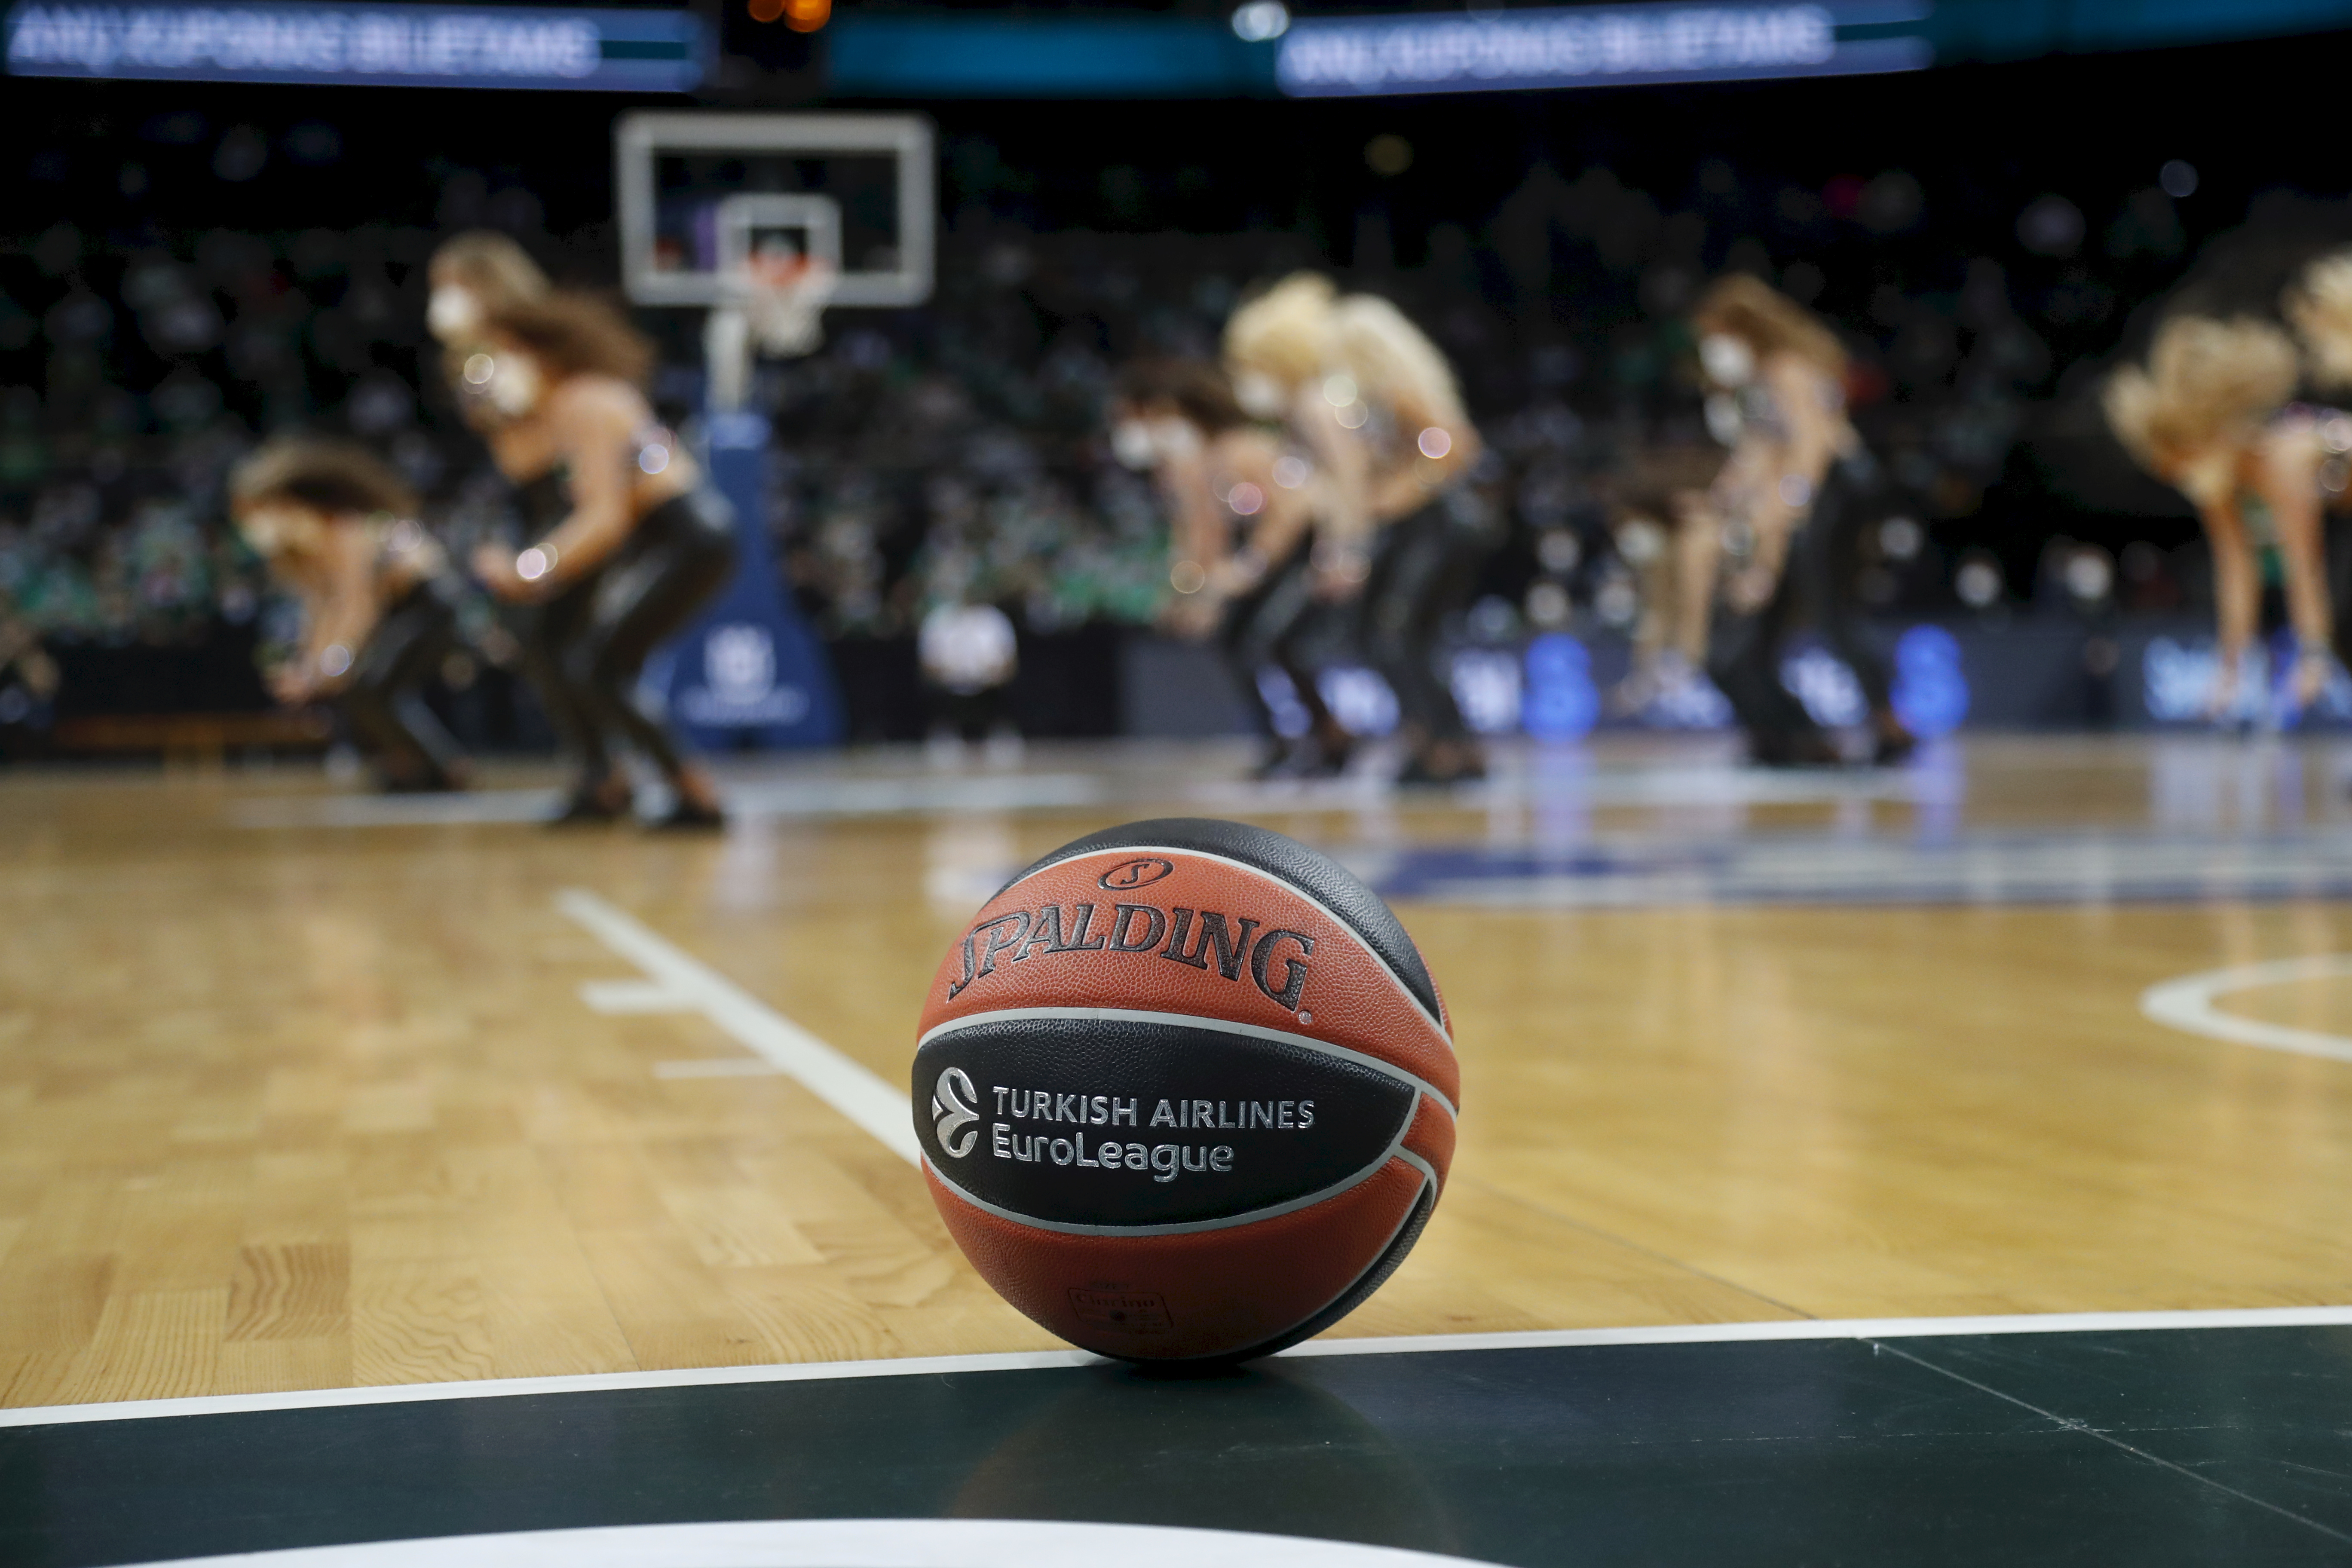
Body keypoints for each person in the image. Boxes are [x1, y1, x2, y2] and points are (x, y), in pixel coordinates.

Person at [435, 256, 738, 828]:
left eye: (505, 355)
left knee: (600, 666)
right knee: (577, 656)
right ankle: (628, 783)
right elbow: (530, 469)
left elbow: (604, 520)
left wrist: (529, 568)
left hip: (690, 540)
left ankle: (695, 793)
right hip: (674, 541)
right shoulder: (571, 403)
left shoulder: (588, 401)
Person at [1222, 275, 1490, 785]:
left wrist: (1380, 505)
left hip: (1433, 526)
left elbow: (1449, 446)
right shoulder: (1360, 403)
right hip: (1422, 525)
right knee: (1396, 639)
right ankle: (1441, 744)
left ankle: (1442, 747)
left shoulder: (1382, 396)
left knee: (1392, 636)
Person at [1694, 274, 1913, 766]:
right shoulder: (1760, 381)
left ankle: (1891, 725)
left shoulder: (1792, 369)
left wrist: (1792, 508)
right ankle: (1792, 735)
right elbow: (1759, 450)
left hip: (1826, 497)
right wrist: (1728, 497)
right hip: (1794, 505)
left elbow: (1812, 447)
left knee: (1833, 617)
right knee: (1759, 633)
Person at [1110, 358, 1343, 776]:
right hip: (1270, 557)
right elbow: (1203, 536)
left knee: (1265, 642)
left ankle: (1327, 735)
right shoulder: (1203, 461)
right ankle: (1293, 739)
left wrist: (1249, 568)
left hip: (1302, 551)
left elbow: (1291, 513)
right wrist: (1195, 593)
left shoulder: (1244, 447)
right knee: (1241, 642)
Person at [2103, 313, 2342, 715]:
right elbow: (2236, 572)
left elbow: (2304, 566)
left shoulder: (2285, 461)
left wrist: (2314, 660)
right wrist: (2228, 675)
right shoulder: (2218, 482)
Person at [228, 438, 470, 792]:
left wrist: (328, 665)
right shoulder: (305, 552)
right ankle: (405, 766)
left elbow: (358, 605)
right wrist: (309, 668)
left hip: (430, 606)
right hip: (395, 611)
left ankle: (443, 769)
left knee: (368, 684)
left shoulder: (347, 527)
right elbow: (322, 609)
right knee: (358, 689)